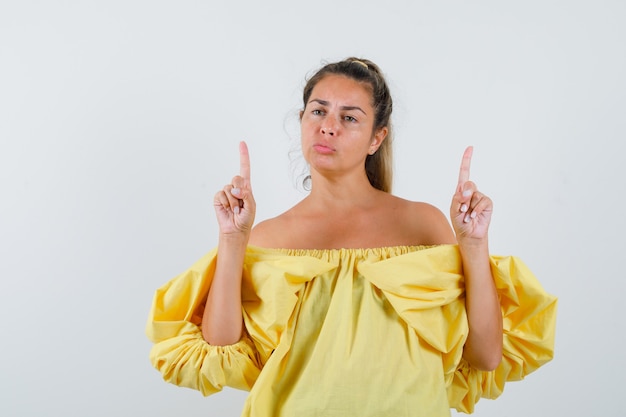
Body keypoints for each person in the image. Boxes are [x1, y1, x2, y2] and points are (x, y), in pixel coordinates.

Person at [146, 58, 557, 416]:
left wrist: (473, 244)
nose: (328, 128)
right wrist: (233, 239)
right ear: (302, 122)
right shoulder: (267, 236)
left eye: (349, 117)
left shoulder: (423, 224)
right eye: (317, 111)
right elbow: (220, 349)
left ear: (376, 138)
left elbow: (485, 357)